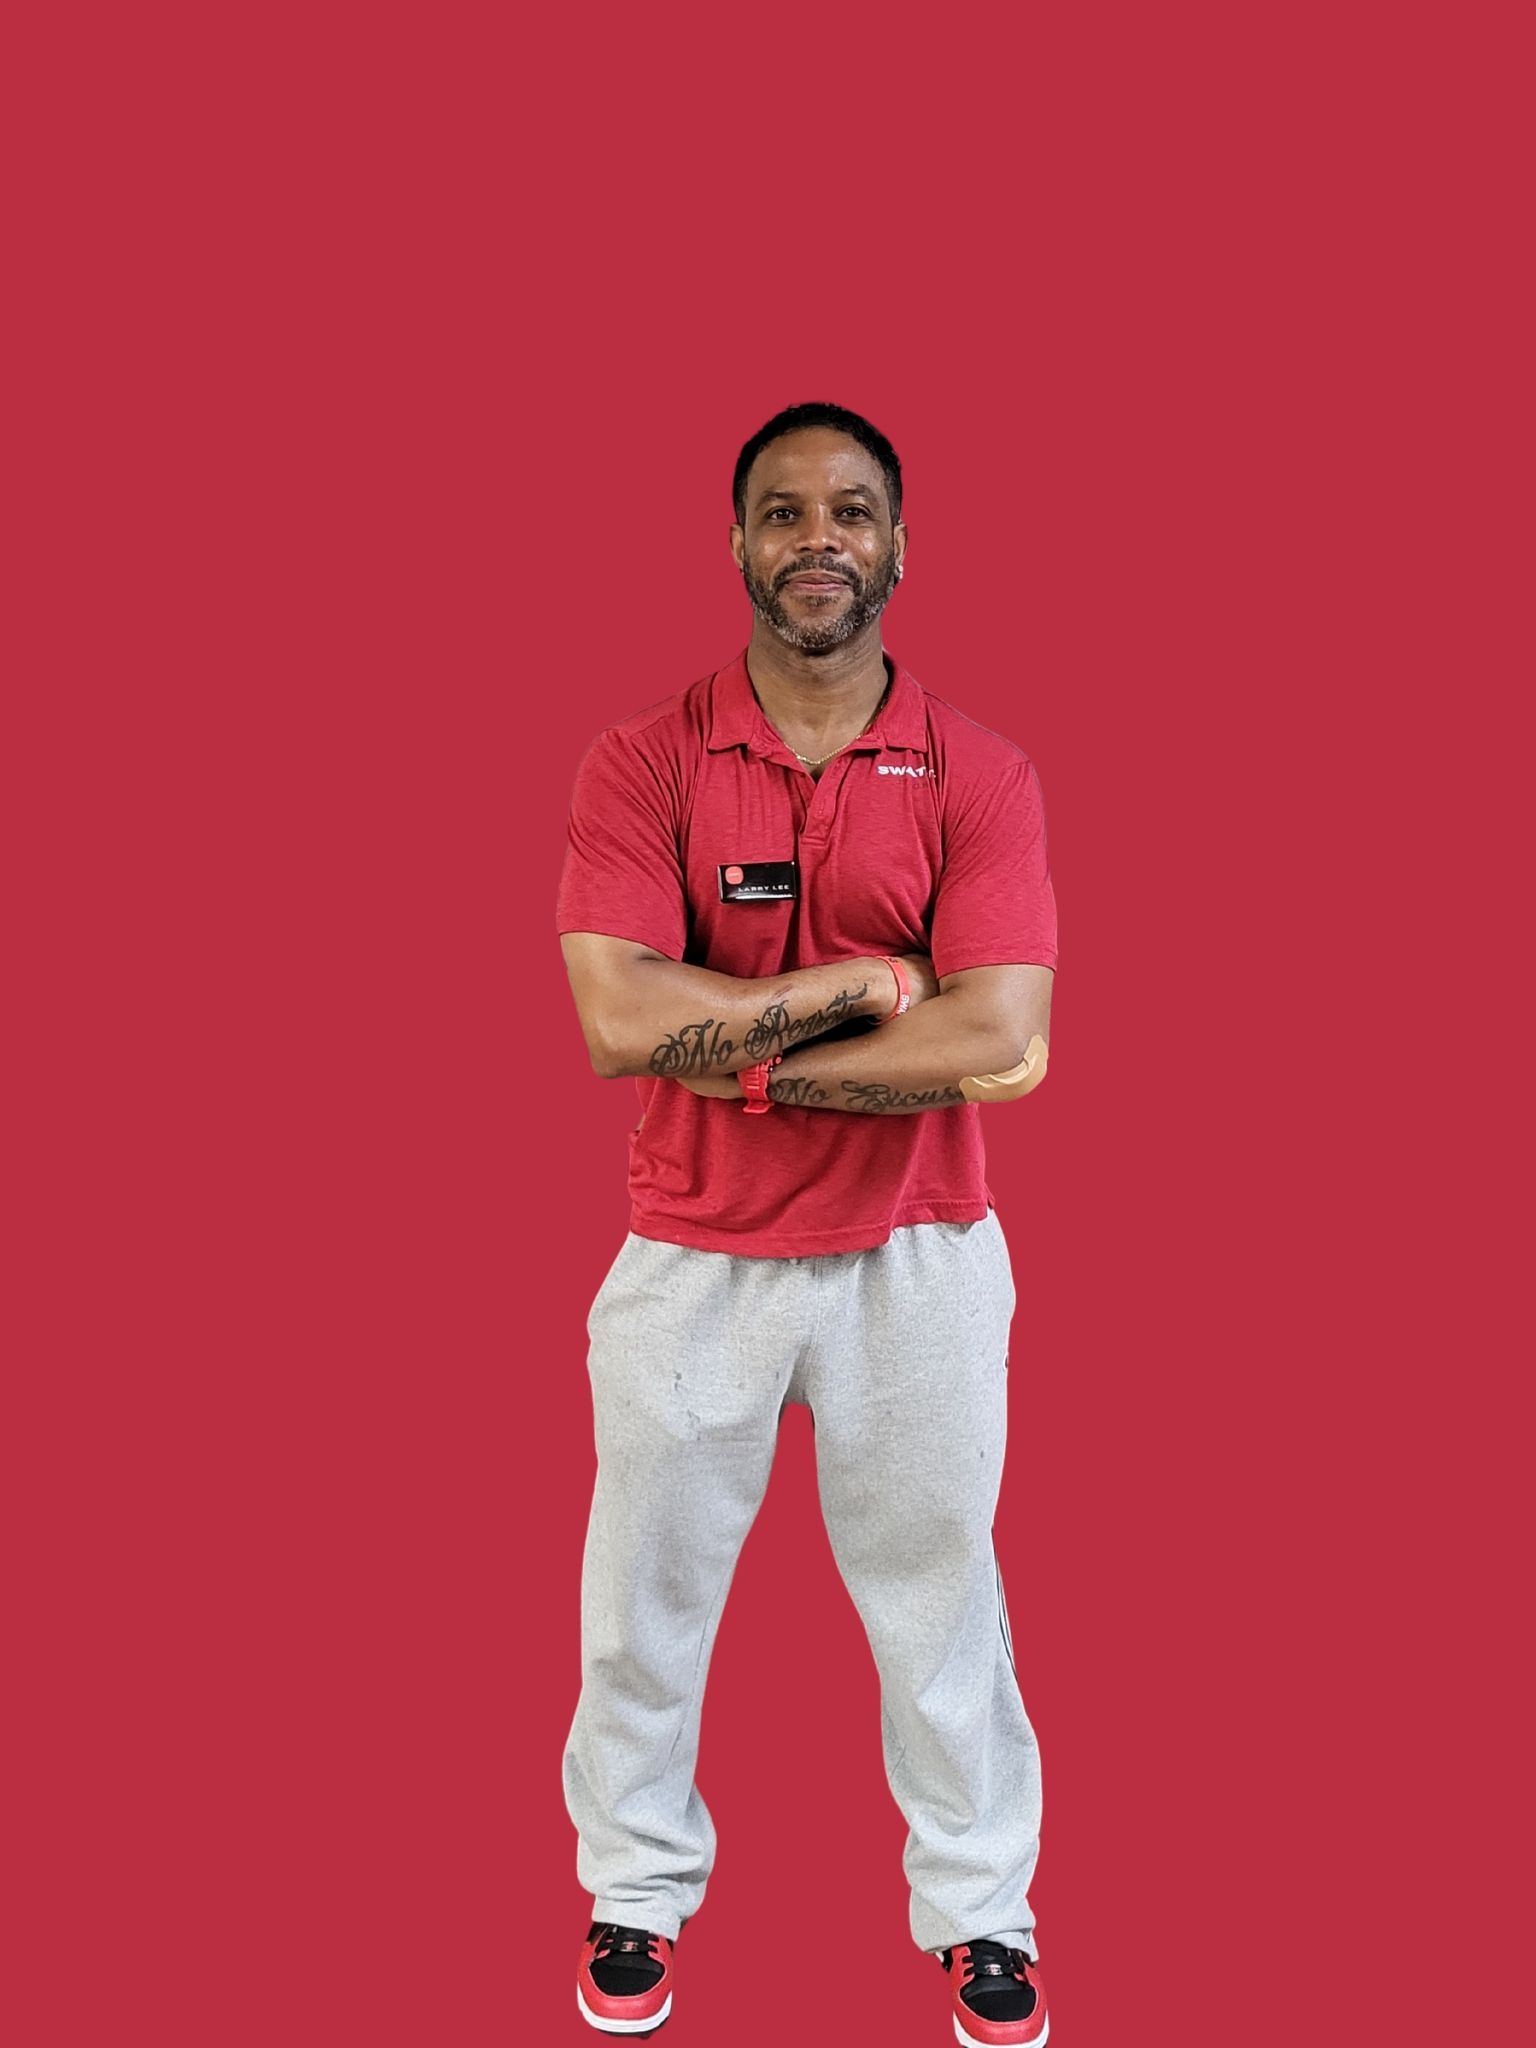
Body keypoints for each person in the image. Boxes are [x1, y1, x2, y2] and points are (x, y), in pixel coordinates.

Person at [556, 401, 1057, 2045]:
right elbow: (619, 1019)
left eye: (851, 511)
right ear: (739, 548)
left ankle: (982, 1912)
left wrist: (747, 1059)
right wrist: (848, 995)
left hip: (917, 1260)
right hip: (690, 1253)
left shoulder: (981, 773)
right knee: (645, 1598)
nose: (817, 540)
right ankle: (633, 1892)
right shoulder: (644, 759)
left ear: (900, 545)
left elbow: (995, 1036)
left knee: (939, 1596)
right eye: (782, 514)